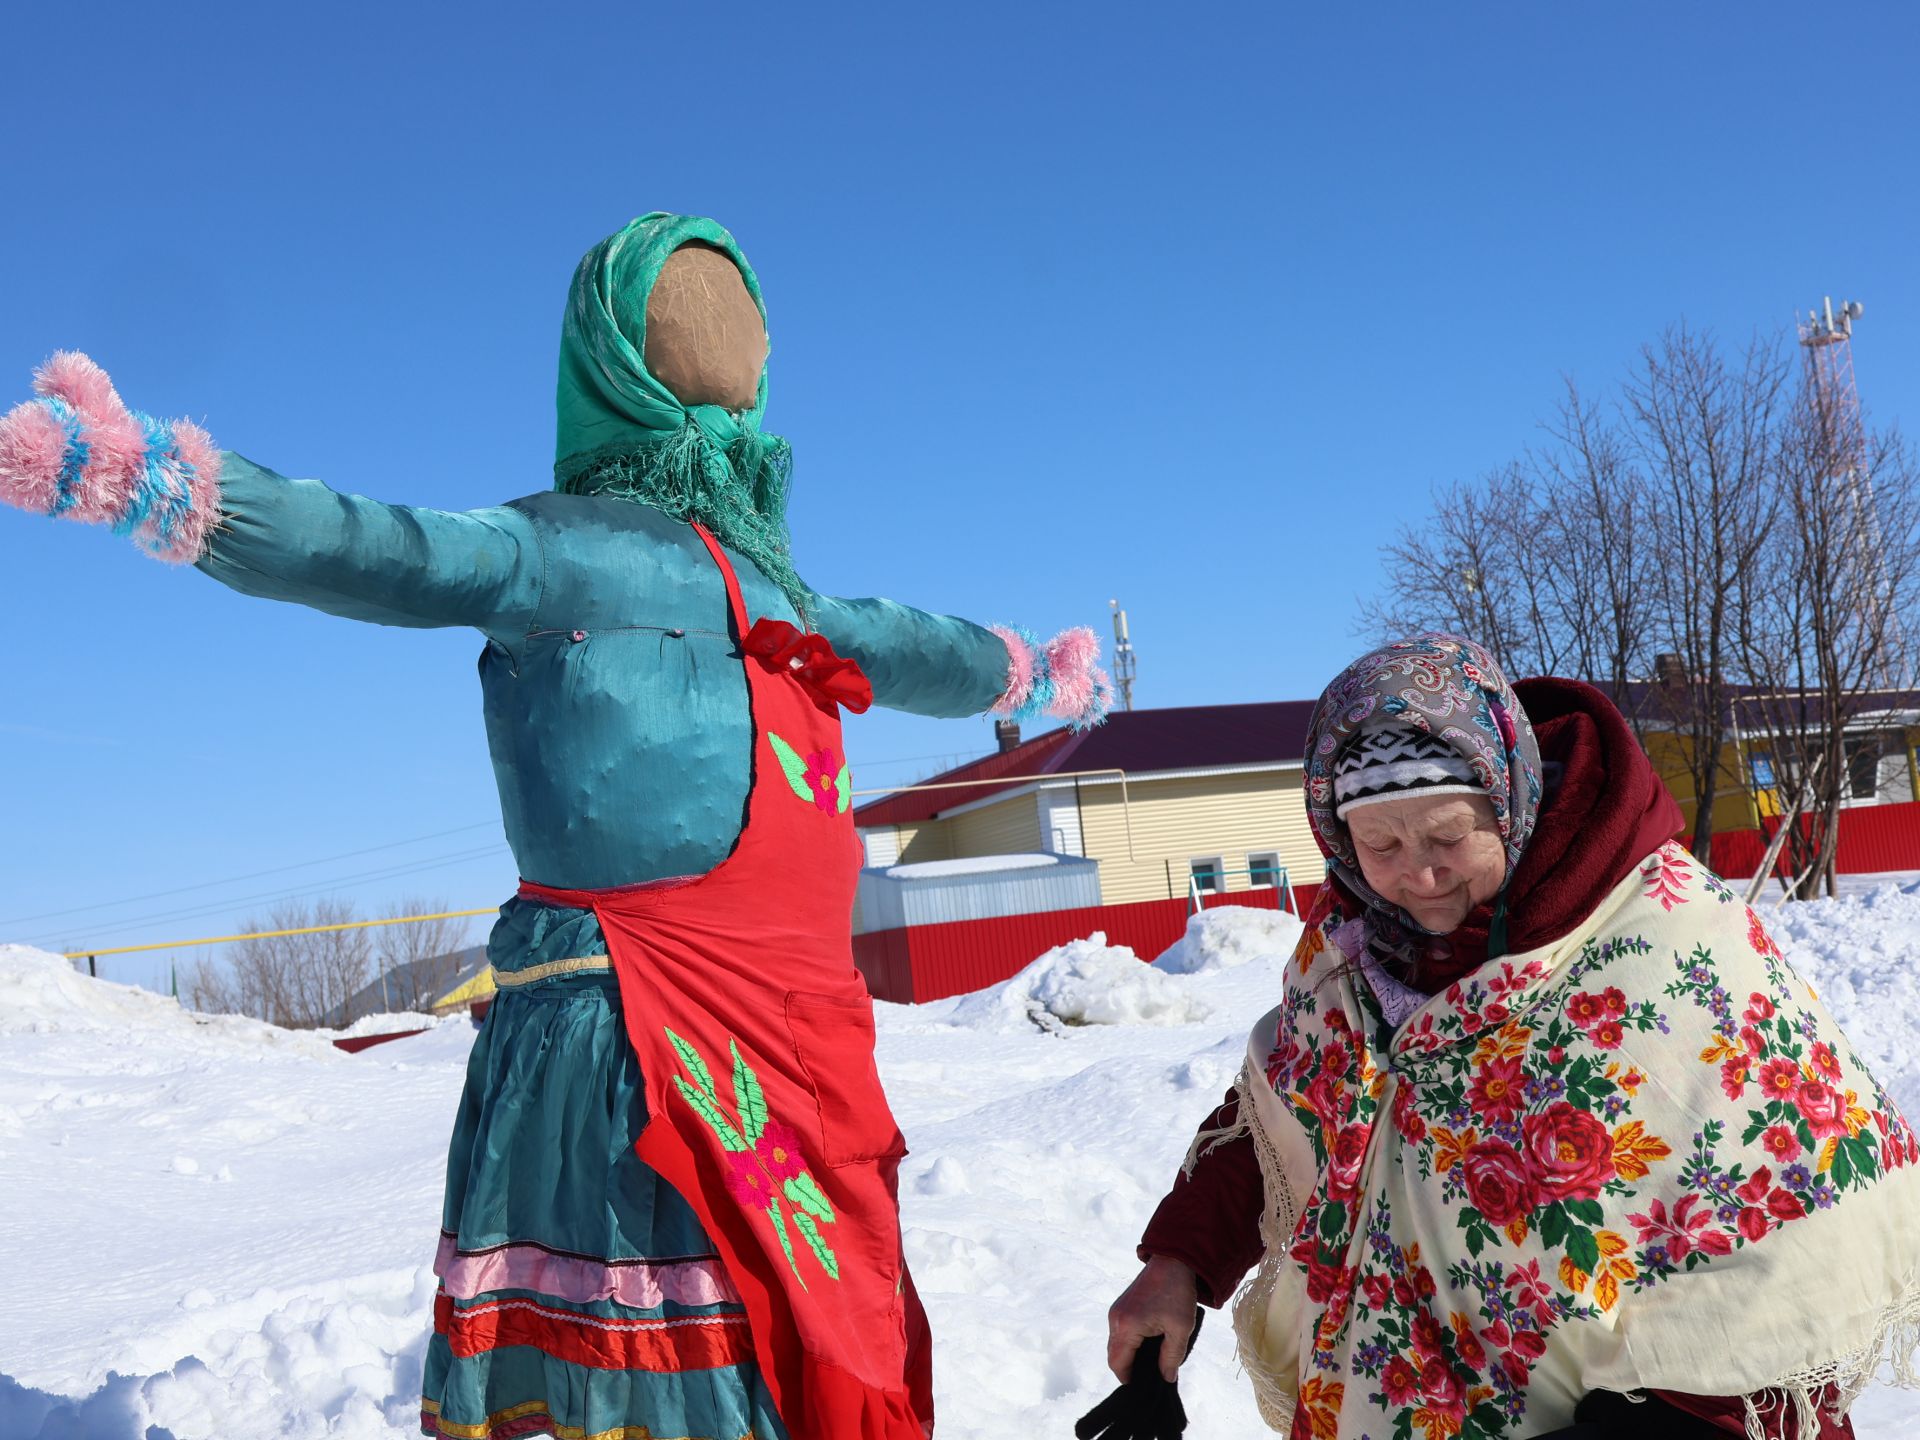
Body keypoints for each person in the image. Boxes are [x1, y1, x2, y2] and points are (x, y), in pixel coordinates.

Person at [0, 213, 1112, 1440]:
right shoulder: (554, 552)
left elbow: (921, 646)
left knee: (807, 1325)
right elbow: (370, 543)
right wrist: (174, 487)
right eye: (698, 319)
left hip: (800, 1042)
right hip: (627, 1027)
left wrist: (1024, 676)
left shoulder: (788, 593)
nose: (732, 344)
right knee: (672, 1349)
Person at [1107, 635, 1920, 1439]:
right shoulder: (1354, 948)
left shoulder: (1662, 942)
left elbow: (1795, 1214)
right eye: (1380, 843)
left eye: (1448, 835)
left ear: (1509, 799)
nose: (1417, 876)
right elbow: (1294, 1108)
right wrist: (1178, 1262)